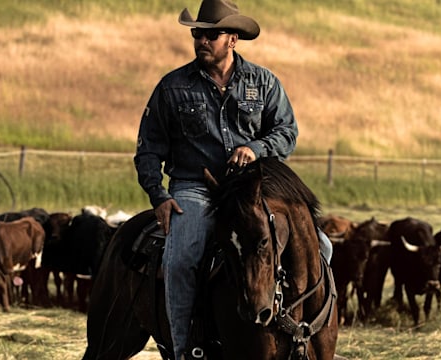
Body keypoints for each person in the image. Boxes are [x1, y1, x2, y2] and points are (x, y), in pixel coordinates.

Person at [133, 1, 332, 358]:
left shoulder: (264, 82)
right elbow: (148, 149)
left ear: (233, 39)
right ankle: (184, 348)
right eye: (198, 33)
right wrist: (158, 196)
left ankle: (306, 334)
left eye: (211, 34)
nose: (201, 40)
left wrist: (255, 148)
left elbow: (287, 132)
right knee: (181, 259)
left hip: (250, 187)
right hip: (195, 188)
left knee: (324, 248)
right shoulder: (172, 87)